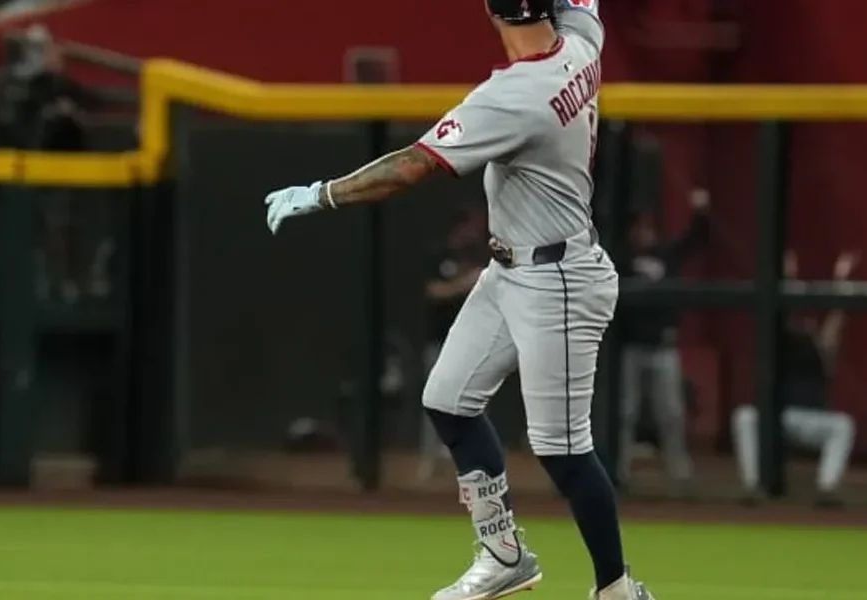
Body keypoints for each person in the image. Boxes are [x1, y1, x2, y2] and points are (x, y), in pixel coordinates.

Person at [264, 1, 652, 598]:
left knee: (564, 450)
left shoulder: (514, 94)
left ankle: (617, 590)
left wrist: (323, 193)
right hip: (513, 268)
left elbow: (410, 167)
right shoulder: (580, 42)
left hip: (558, 279)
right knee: (448, 401)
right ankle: (504, 554)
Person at [731, 249, 859, 508]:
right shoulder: (778, 333)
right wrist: (785, 274)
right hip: (778, 417)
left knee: (843, 425)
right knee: (745, 417)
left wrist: (841, 282)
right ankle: (753, 486)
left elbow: (833, 328)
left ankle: (827, 488)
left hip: (809, 419)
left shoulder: (814, 341)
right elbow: (774, 312)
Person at [616, 188, 709, 495]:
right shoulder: (622, 261)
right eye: (639, 227)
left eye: (648, 226)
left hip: (663, 346)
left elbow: (694, 241)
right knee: (626, 411)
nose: (644, 232)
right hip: (632, 346)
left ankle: (680, 473)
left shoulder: (666, 255)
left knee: (671, 412)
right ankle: (620, 469)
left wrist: (700, 211)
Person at [417, 205, 490, 483]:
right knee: (434, 402)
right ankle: (430, 463)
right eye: (471, 226)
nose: (476, 232)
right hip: (440, 340)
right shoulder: (440, 255)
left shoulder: (483, 256)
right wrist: (466, 283)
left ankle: (478, 465)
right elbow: (433, 291)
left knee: (476, 403)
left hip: (474, 343)